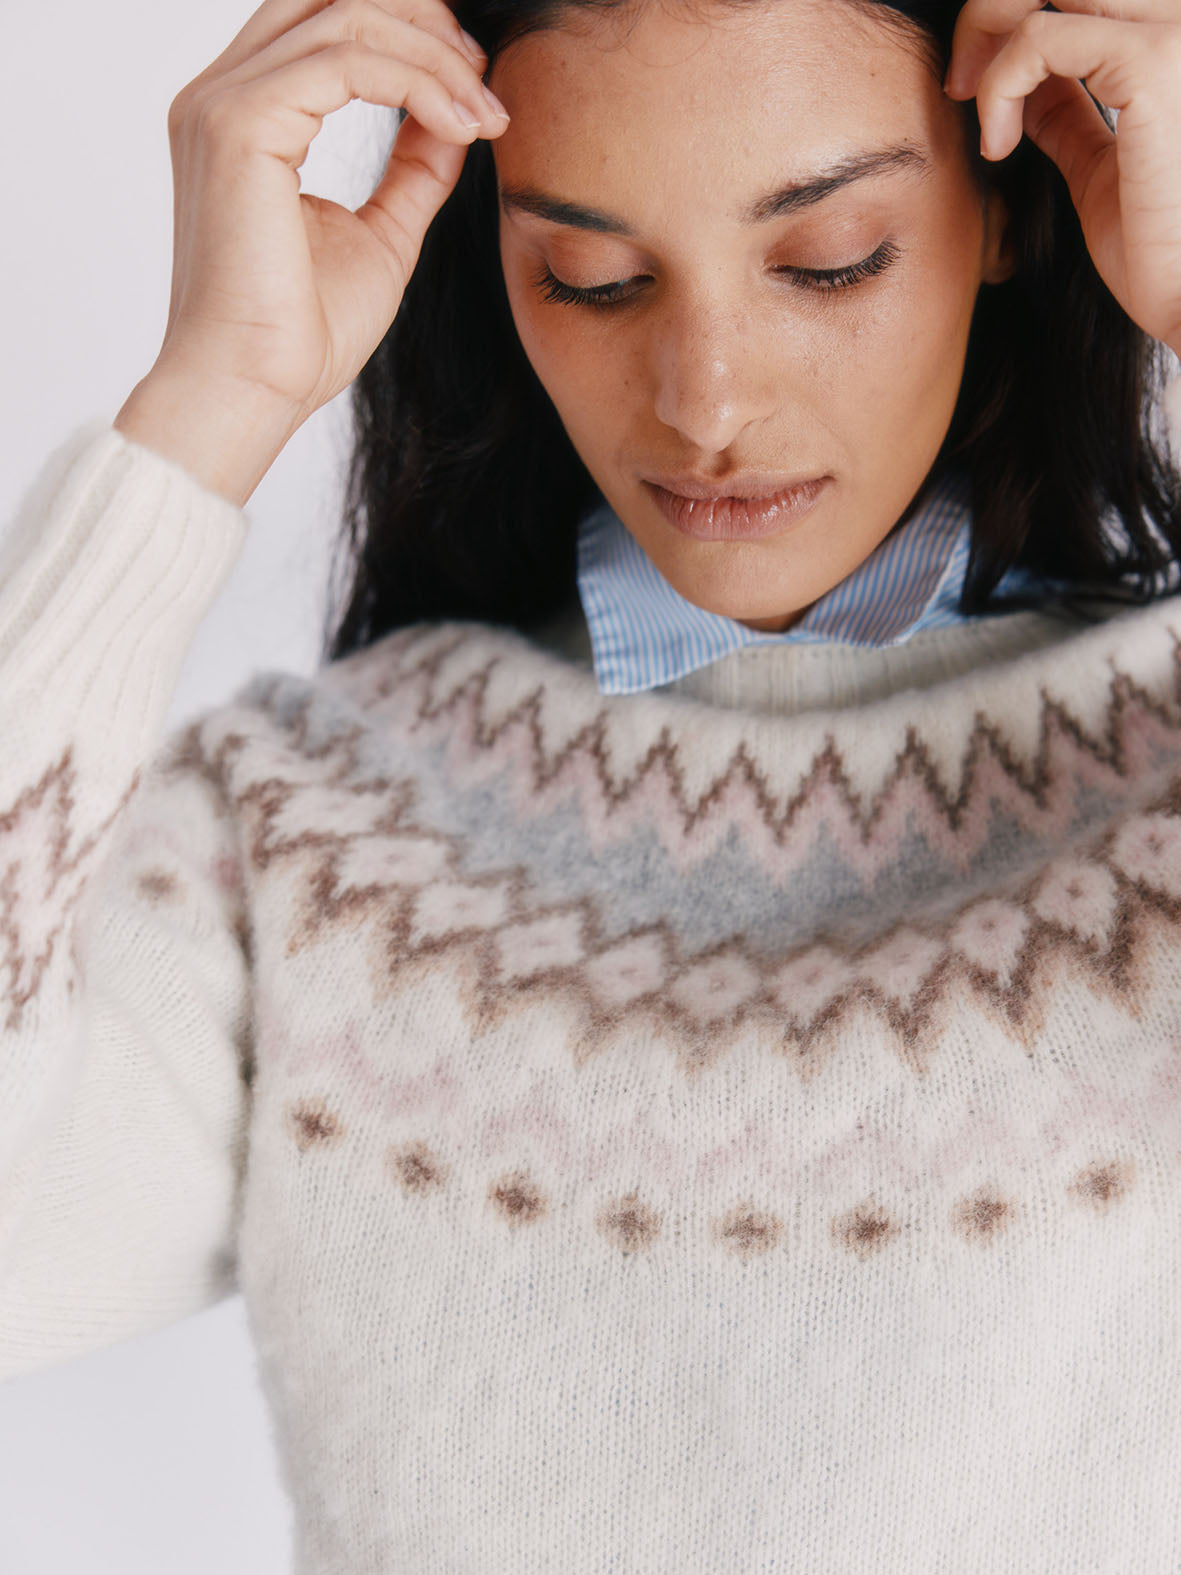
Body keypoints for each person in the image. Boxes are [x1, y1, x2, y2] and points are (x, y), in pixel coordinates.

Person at [2, 0, 1180, 1565]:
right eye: (590, 277)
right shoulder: (314, 830)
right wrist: (205, 405)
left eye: (827, 257)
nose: (703, 399)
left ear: (1005, 209)